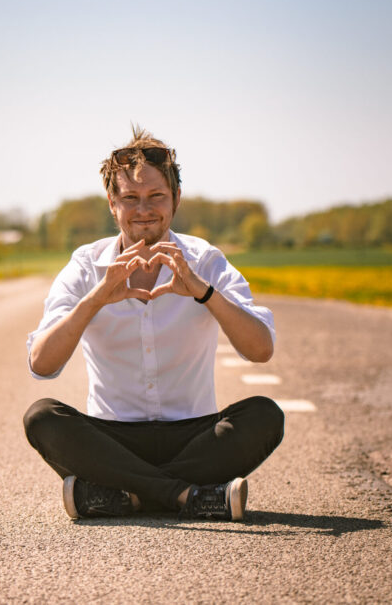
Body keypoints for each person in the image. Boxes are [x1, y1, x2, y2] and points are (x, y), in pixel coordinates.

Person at [23, 127, 285, 521]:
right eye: (130, 198)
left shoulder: (205, 260)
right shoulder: (85, 265)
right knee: (41, 417)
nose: (143, 209)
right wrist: (96, 299)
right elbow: (42, 364)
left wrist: (202, 291)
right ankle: (188, 496)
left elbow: (260, 349)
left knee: (265, 415)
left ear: (175, 200)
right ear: (113, 204)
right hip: (113, 439)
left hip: (195, 437)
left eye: (156, 196)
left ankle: (126, 496)